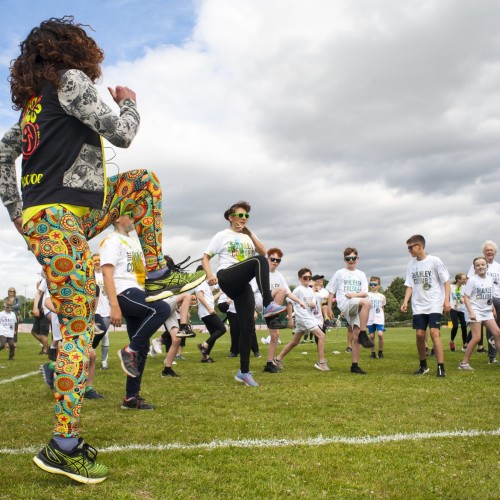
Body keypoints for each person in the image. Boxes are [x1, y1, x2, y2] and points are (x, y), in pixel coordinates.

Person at [0, 17, 203, 483]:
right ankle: (63, 445)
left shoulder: (33, 105)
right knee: (75, 331)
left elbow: (2, 152)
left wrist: (15, 210)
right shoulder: (68, 81)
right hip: (60, 220)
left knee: (140, 183)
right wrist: (129, 104)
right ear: (74, 50)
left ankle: (155, 272)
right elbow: (122, 134)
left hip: (55, 217)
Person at [202, 201, 286, 387]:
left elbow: (265, 252)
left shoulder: (248, 237)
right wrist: (209, 275)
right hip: (227, 275)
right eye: (240, 215)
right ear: (231, 218)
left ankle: (244, 372)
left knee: (248, 328)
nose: (244, 219)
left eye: (246, 216)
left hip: (242, 285)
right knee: (258, 261)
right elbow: (205, 257)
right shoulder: (222, 235)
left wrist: (249, 232)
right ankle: (267, 304)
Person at [100, 210, 171, 409]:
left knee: (142, 348)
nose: (135, 218)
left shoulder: (134, 241)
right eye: (130, 214)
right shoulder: (111, 240)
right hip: (123, 292)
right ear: (116, 218)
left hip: (137, 290)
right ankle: (127, 351)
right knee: (161, 309)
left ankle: (131, 398)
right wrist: (114, 306)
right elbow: (107, 274)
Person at [401, 234, 450, 377]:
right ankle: (423, 366)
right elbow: (409, 285)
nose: (409, 250)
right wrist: (405, 301)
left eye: (410, 247)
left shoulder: (435, 261)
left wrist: (446, 300)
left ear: (419, 246)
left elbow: (446, 281)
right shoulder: (411, 264)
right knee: (420, 334)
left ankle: (441, 367)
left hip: (434, 302)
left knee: (434, 332)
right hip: (418, 305)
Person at [327, 247, 374, 375]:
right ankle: (364, 333)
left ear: (357, 258)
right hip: (345, 304)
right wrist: (330, 307)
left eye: (353, 258)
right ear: (344, 259)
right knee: (367, 301)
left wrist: (354, 294)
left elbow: (364, 292)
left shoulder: (361, 274)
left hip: (356, 303)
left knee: (356, 336)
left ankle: (355, 365)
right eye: (348, 258)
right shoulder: (339, 273)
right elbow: (331, 291)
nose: (351, 260)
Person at [274, 268, 329, 371]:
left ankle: (277, 359)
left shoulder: (310, 290)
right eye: (305, 277)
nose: (307, 279)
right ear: (300, 278)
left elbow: (312, 304)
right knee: (321, 335)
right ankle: (321, 362)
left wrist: (313, 305)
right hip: (303, 317)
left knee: (294, 342)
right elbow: (290, 302)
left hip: (307, 317)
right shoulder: (298, 290)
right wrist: (290, 318)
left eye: (309, 277)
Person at [263, 248, 306, 373]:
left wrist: (300, 301)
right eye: (273, 259)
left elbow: (288, 293)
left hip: (270, 306)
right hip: (261, 302)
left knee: (275, 335)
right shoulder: (261, 272)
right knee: (280, 290)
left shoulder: (279, 275)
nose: (275, 262)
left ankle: (269, 363)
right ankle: (275, 318)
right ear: (267, 259)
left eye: (278, 260)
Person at [460, 256, 500, 369]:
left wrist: (493, 309)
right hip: (475, 311)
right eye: (477, 265)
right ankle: (464, 363)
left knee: (497, 333)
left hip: (487, 311)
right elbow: (466, 297)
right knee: (477, 337)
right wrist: (471, 312)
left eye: (483, 264)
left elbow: (490, 296)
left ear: (486, 266)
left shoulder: (490, 280)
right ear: (474, 268)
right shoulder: (472, 280)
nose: (480, 267)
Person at [466, 241, 500, 363]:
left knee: (497, 332)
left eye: (491, 250)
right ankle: (491, 357)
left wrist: (493, 307)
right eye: (487, 250)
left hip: (493, 301)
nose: (489, 252)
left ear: (495, 252)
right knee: (479, 335)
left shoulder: (497, 267)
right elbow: (468, 286)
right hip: (479, 304)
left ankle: (493, 356)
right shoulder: (477, 265)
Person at [195, 271, 226, 363]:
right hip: (207, 312)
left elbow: (210, 299)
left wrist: (220, 293)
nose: (212, 278)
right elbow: (200, 297)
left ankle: (205, 357)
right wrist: (210, 309)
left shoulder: (206, 286)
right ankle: (204, 345)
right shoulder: (201, 284)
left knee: (213, 334)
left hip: (206, 313)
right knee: (222, 329)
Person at [92, 253, 111, 370]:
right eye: (95, 260)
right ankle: (91, 349)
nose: (97, 262)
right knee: (101, 330)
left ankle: (104, 361)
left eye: (99, 260)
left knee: (105, 335)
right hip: (96, 309)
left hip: (107, 309)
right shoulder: (90, 275)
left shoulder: (107, 275)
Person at [367, 277, 386, 359]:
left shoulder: (382, 296)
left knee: (380, 334)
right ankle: (373, 353)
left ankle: (380, 352)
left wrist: (383, 319)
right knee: (371, 336)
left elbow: (382, 308)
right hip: (370, 318)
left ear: (378, 286)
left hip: (379, 318)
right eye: (371, 284)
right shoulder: (367, 295)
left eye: (375, 284)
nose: (373, 286)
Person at [449, 273, 467, 352]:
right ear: (458, 279)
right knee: (455, 326)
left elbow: (464, 298)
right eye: (463, 279)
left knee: (464, 327)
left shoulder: (465, 288)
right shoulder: (451, 287)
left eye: (465, 279)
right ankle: (452, 341)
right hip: (453, 309)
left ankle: (464, 345)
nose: (465, 280)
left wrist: (463, 300)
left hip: (462, 310)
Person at [31, 279, 50, 354]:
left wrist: (44, 308)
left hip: (44, 316)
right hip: (37, 317)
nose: (37, 287)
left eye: (39, 285)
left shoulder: (46, 295)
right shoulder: (38, 295)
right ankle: (47, 346)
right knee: (33, 332)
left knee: (43, 334)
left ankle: (45, 350)